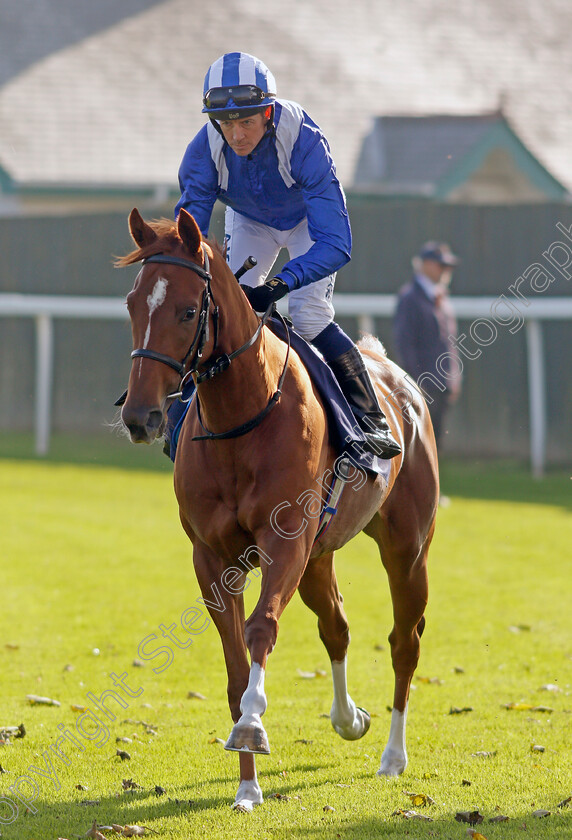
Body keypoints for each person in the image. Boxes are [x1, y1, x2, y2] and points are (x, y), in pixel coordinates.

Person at [175, 51, 400, 458]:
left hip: (307, 223)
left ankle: (369, 419)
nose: (237, 134)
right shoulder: (203, 151)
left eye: (246, 121)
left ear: (268, 112)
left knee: (310, 316)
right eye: (226, 123)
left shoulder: (304, 138)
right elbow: (187, 235)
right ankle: (180, 416)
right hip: (249, 221)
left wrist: (278, 285)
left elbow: (336, 243)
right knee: (224, 312)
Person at [393, 242, 462, 452]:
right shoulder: (410, 298)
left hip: (441, 385)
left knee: (434, 449)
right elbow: (405, 344)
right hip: (424, 387)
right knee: (420, 450)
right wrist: (416, 384)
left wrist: (453, 378)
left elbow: (450, 344)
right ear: (425, 265)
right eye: (441, 265)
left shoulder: (439, 297)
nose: (446, 271)